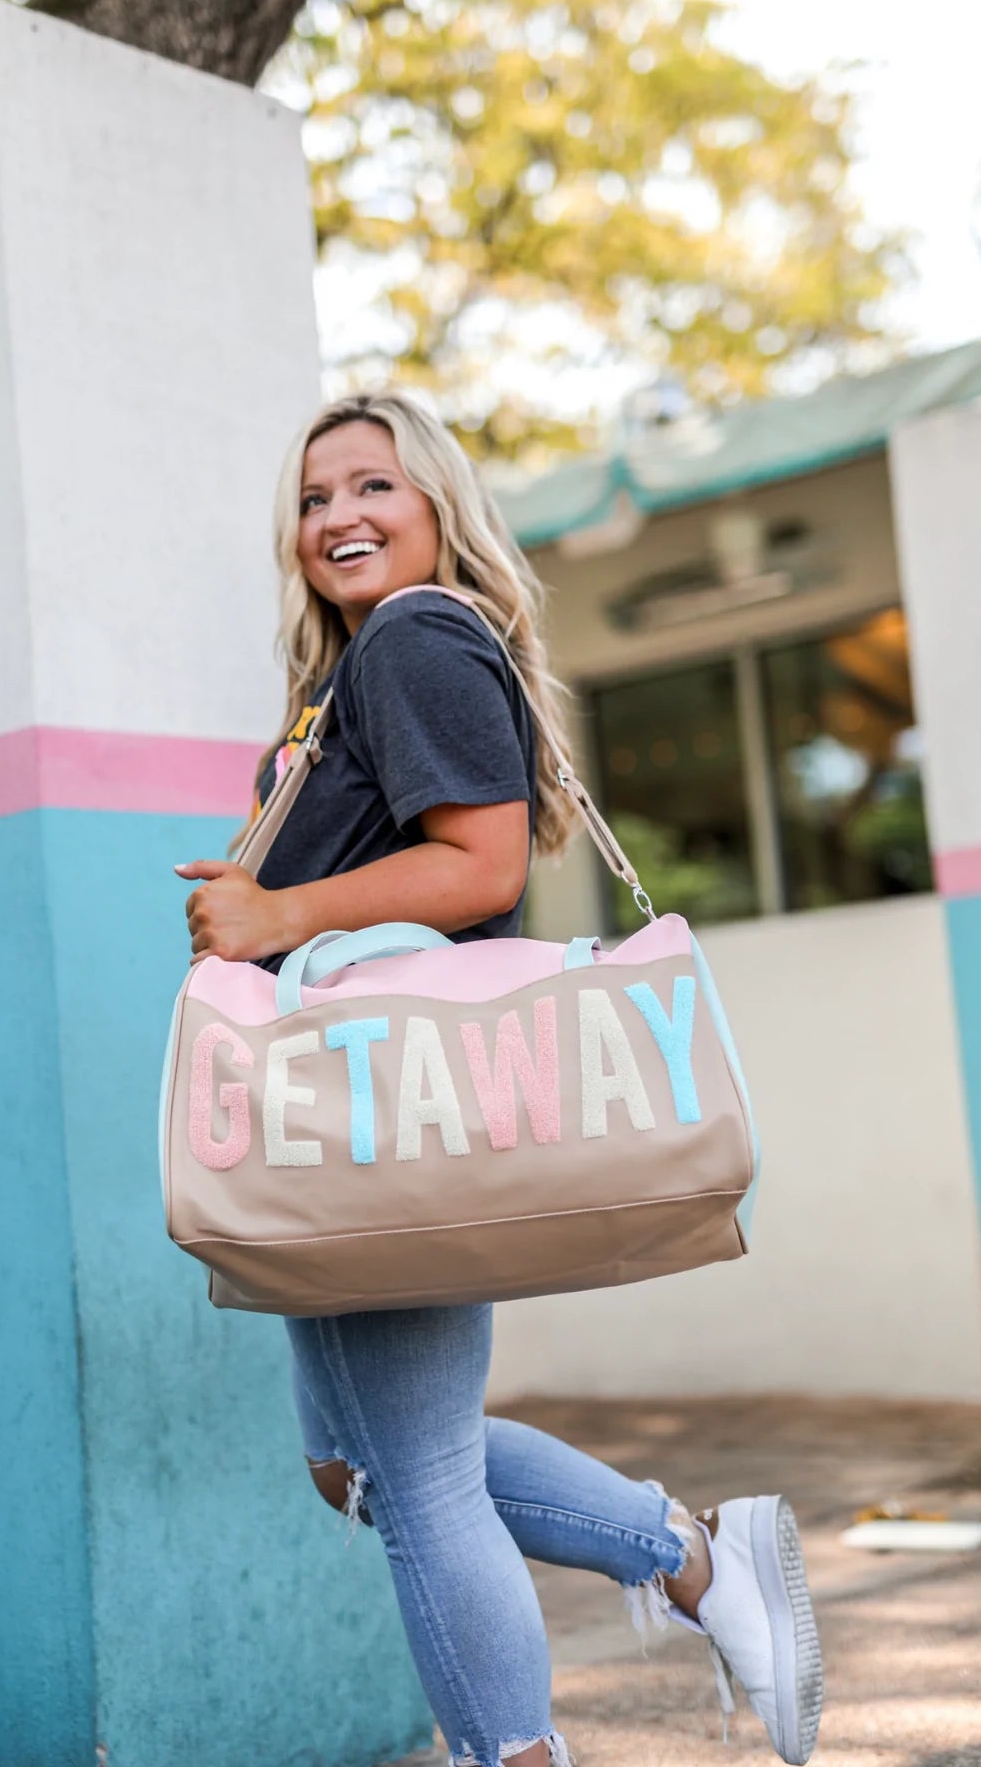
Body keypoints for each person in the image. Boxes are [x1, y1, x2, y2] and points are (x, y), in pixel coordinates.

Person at [175, 390, 823, 1767]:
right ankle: (698, 1558)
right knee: (356, 1469)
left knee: (416, 1480)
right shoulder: (350, 676)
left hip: (386, 1106)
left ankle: (543, 1725)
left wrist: (280, 912)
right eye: (313, 499)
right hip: (341, 1110)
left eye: (373, 486)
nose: (338, 516)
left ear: (437, 505)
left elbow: (482, 864)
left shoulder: (415, 636)